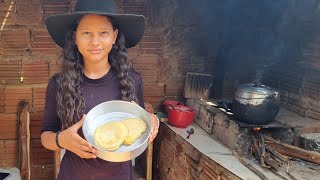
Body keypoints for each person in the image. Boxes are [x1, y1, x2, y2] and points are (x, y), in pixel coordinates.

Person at [40, 0, 159, 179]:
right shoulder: (59, 84)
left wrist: (153, 121)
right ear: (75, 37)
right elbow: (45, 135)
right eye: (86, 33)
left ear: (114, 36)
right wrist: (61, 140)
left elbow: (140, 122)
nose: (95, 41)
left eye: (103, 33)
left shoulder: (132, 80)